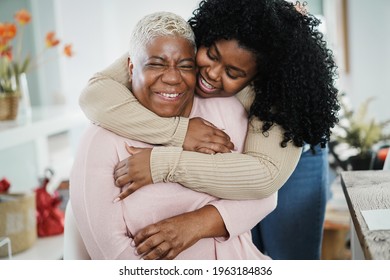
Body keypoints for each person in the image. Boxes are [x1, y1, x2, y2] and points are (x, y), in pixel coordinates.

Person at [79, 0, 339, 259]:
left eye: (233, 72)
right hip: (236, 150)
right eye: (211, 55)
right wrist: (179, 132)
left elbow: (264, 179)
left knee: (292, 254)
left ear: (257, 79)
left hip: (287, 157)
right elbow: (94, 94)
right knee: (239, 242)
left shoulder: (280, 92)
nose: (212, 74)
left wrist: (161, 164)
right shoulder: (190, 41)